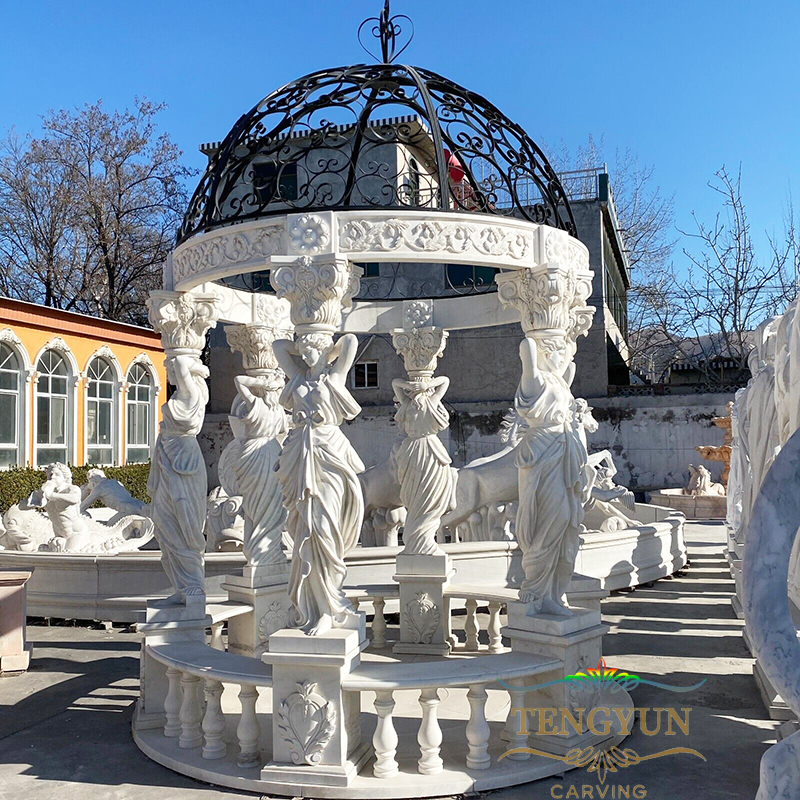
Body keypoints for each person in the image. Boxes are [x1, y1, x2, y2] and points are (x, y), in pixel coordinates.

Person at [273, 332, 364, 636]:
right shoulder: (298, 378)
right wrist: (300, 345)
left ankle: (330, 607)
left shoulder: (333, 379)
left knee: (325, 530)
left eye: (314, 350)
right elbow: (277, 347)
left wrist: (327, 348)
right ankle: (312, 608)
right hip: (299, 456)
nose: (308, 354)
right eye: (304, 350)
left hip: (329, 458)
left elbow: (350, 341)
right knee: (303, 534)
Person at [514, 336, 589, 616]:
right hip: (543, 453)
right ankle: (536, 591)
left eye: (566, 353)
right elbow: (527, 350)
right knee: (550, 521)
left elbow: (568, 370)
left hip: (563, 453)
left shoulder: (559, 382)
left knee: (567, 521)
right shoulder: (538, 380)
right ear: (546, 353)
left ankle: (554, 594)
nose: (564, 358)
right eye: (558, 352)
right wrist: (535, 349)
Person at [147, 354, 208, 605]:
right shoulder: (179, 397)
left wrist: (196, 366)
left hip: (184, 460)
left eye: (170, 368)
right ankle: (181, 587)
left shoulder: (193, 396)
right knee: (162, 521)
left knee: (187, 524)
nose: (170, 372)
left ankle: (193, 586)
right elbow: (181, 364)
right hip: (167, 453)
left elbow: (183, 363)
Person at [392, 375, 453, 555]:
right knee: (413, 497)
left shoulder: (432, 401)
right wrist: (409, 385)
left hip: (430, 449)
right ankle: (414, 542)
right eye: (413, 389)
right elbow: (395, 383)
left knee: (429, 495)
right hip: (411, 451)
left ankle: (425, 541)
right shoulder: (407, 404)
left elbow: (445, 381)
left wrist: (427, 384)